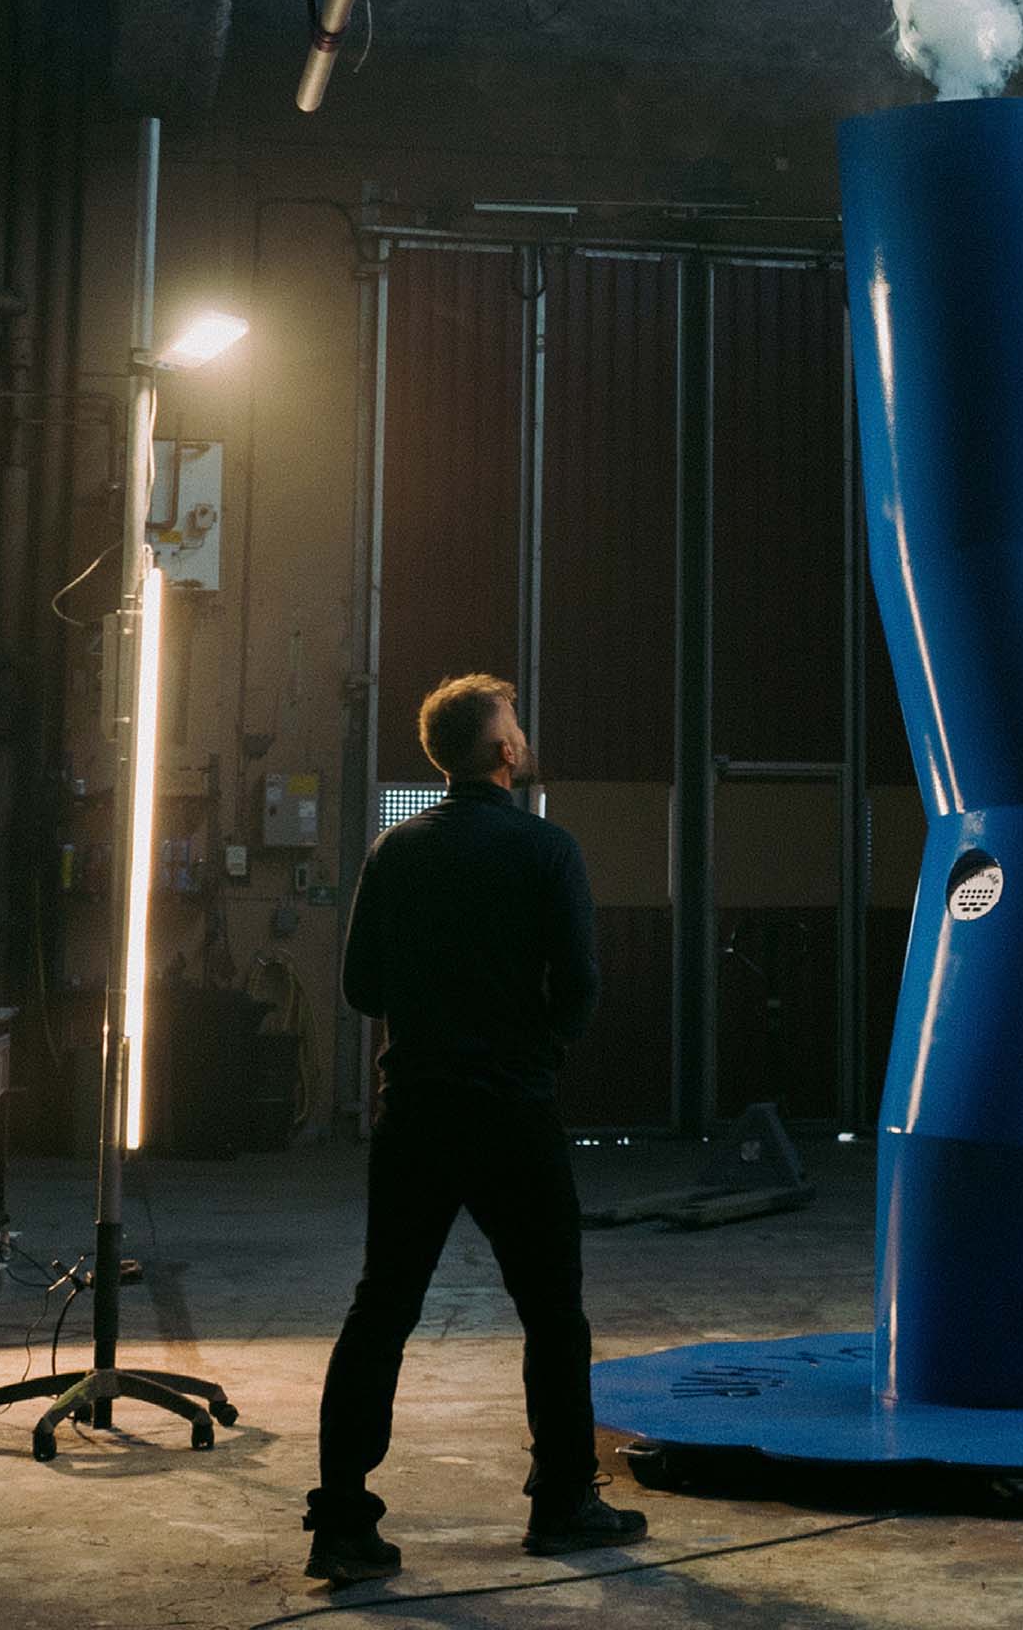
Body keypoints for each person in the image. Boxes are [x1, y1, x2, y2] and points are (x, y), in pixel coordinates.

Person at [304, 673, 648, 1583]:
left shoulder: (394, 851)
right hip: (512, 1111)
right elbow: (578, 993)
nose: (522, 734)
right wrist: (533, 1043)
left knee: (380, 1312)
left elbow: (362, 991)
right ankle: (563, 1504)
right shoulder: (547, 851)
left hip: (416, 1110)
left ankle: (341, 1526)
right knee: (552, 1316)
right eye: (516, 724)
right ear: (504, 752)